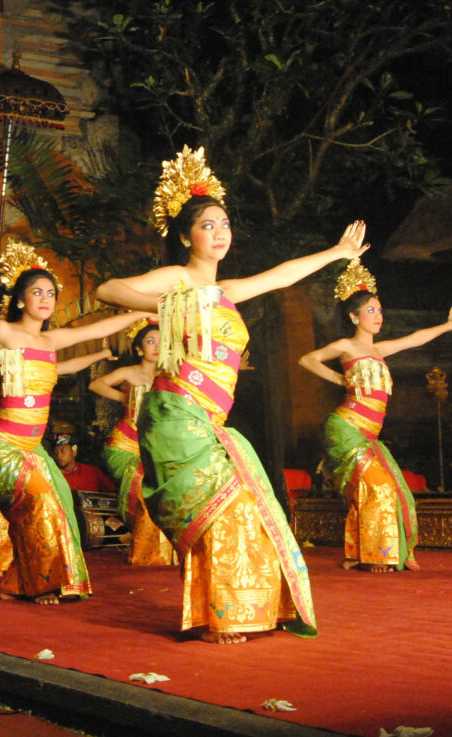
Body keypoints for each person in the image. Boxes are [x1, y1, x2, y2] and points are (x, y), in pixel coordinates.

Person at [95, 146, 366, 643]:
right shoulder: (178, 281)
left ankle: (239, 610)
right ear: (185, 236)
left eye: (224, 224)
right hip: (175, 413)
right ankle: (215, 617)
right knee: (217, 509)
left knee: (244, 508)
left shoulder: (227, 292)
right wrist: (171, 304)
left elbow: (280, 275)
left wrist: (336, 254)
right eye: (207, 226)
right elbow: (108, 290)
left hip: (211, 423)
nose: (219, 233)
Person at [0, 239, 150, 605]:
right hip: (0, 442)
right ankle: (37, 583)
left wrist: (146, 314)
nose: (46, 299)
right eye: (37, 292)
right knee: (37, 503)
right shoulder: (3, 331)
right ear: (21, 300)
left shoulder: (51, 340)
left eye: (51, 293)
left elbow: (98, 330)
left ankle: (40, 580)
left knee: (61, 503)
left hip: (33, 447)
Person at [298, 259, 452, 572]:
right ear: (353, 316)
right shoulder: (346, 346)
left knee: (399, 490)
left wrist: (446, 326)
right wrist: (338, 379)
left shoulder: (380, 350)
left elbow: (414, 338)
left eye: (380, 310)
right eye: (371, 310)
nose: (378, 315)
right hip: (346, 427)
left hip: (369, 435)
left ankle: (367, 551)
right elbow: (308, 359)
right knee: (379, 488)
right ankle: (376, 556)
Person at [0, 350, 115, 578]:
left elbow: (68, 365)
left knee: (45, 499)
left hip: (24, 442)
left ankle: (40, 563)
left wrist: (101, 353)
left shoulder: (34, 369)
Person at [89, 320, 177, 565]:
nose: (156, 346)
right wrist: (123, 397)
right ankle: (144, 548)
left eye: (162, 342)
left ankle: (161, 550)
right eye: (150, 341)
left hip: (155, 447)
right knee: (141, 479)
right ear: (139, 349)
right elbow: (95, 384)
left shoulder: (170, 375)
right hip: (123, 445)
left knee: (166, 485)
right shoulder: (129, 372)